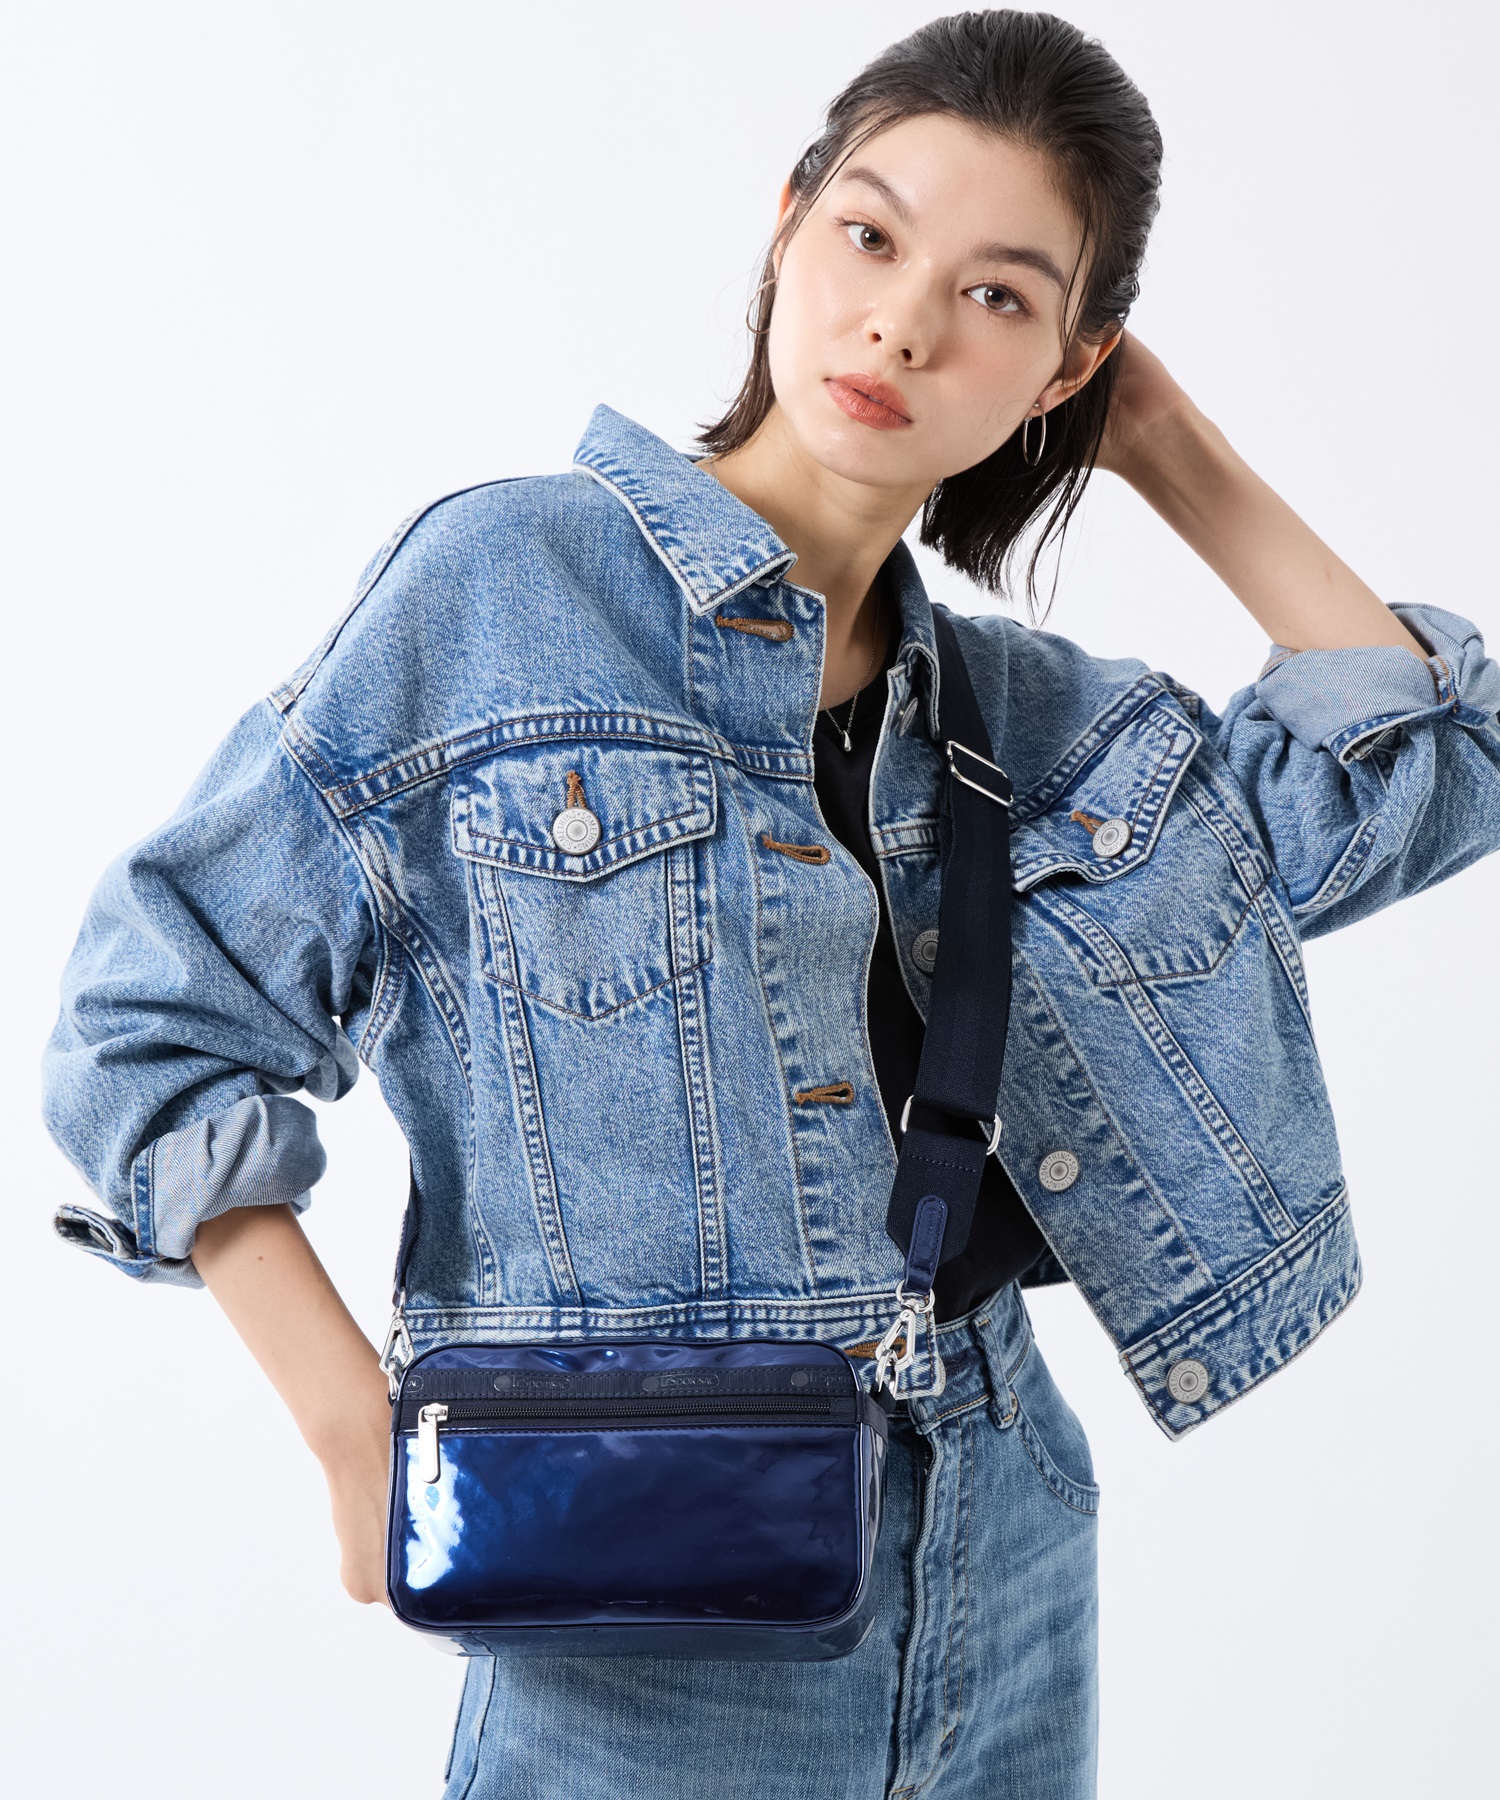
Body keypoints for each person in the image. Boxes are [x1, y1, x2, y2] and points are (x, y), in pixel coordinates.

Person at [38, 10, 1500, 1798]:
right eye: (871, 237)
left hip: (1003, 1552)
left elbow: (1423, 772)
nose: (902, 325)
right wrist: (355, 1428)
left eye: (997, 296)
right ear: (787, 224)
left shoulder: (1023, 724)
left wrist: (1169, 445)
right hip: (634, 1593)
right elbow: (153, 1018)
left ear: (1066, 367)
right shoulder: (507, 594)